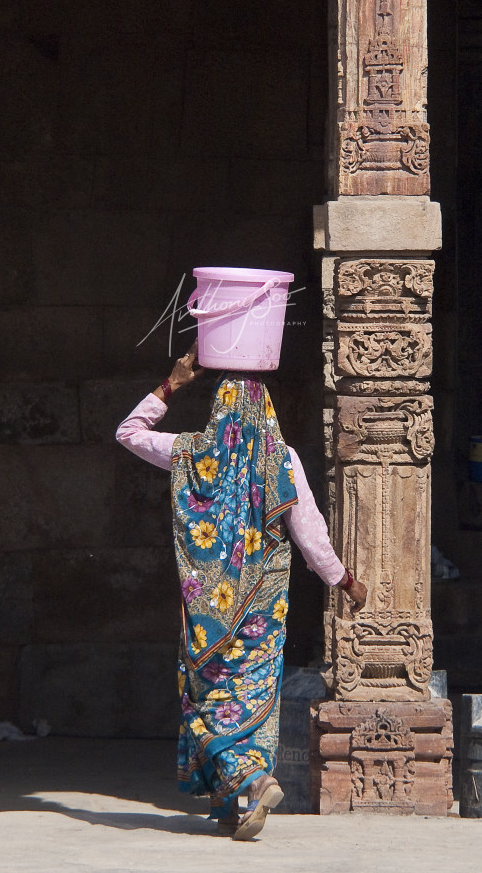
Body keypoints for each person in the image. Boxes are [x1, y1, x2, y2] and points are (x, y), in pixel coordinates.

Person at [116, 348, 367, 841]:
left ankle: (252, 778)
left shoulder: (193, 454)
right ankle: (239, 805)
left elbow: (128, 433)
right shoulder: (285, 462)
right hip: (264, 609)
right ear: (267, 411)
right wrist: (345, 582)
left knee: (206, 698)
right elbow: (311, 534)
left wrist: (173, 383)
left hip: (209, 612)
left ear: (219, 413)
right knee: (251, 697)